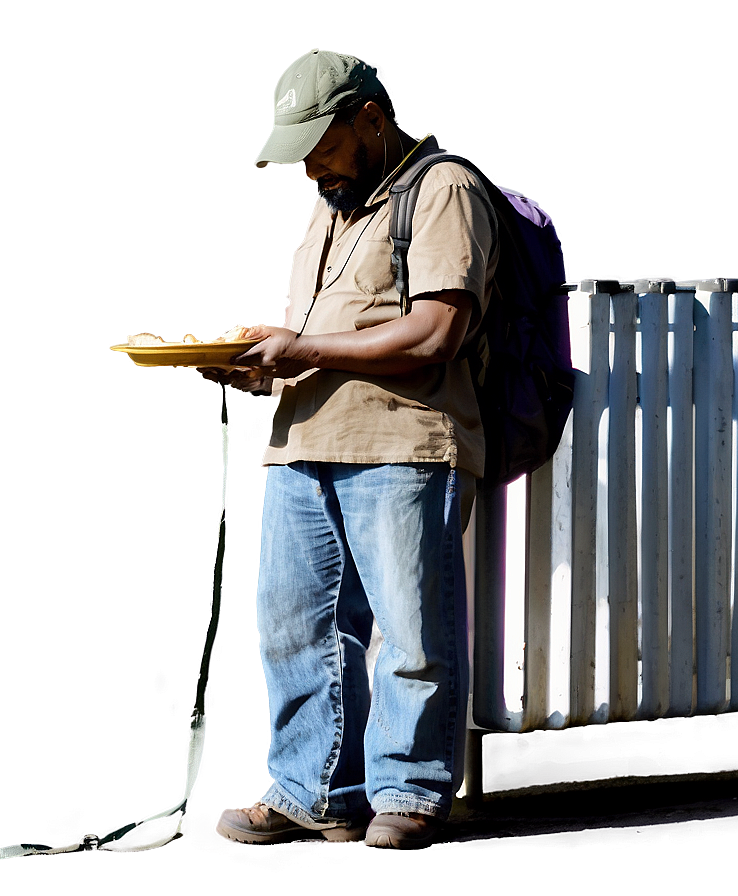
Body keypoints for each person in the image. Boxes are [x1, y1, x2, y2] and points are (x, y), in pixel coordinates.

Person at [201, 48, 497, 850]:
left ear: (369, 119)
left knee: (411, 632)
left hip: (404, 444)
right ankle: (315, 791)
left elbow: (438, 330)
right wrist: (265, 354)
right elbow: (320, 338)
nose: (309, 170)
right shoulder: (324, 214)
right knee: (294, 629)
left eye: (319, 147)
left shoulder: (444, 189)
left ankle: (409, 792)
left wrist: (304, 349)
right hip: (299, 443)